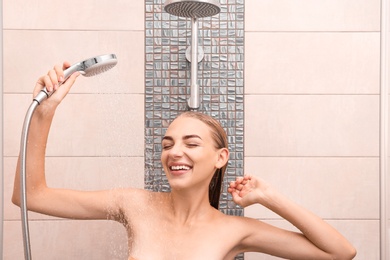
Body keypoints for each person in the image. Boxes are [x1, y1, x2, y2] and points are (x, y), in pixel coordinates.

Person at [12, 62, 357, 260]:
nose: (174, 152)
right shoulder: (134, 204)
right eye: (168, 144)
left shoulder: (234, 229)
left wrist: (269, 196)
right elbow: (32, 195)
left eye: (191, 143)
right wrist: (45, 112)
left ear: (221, 157)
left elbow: (341, 253)